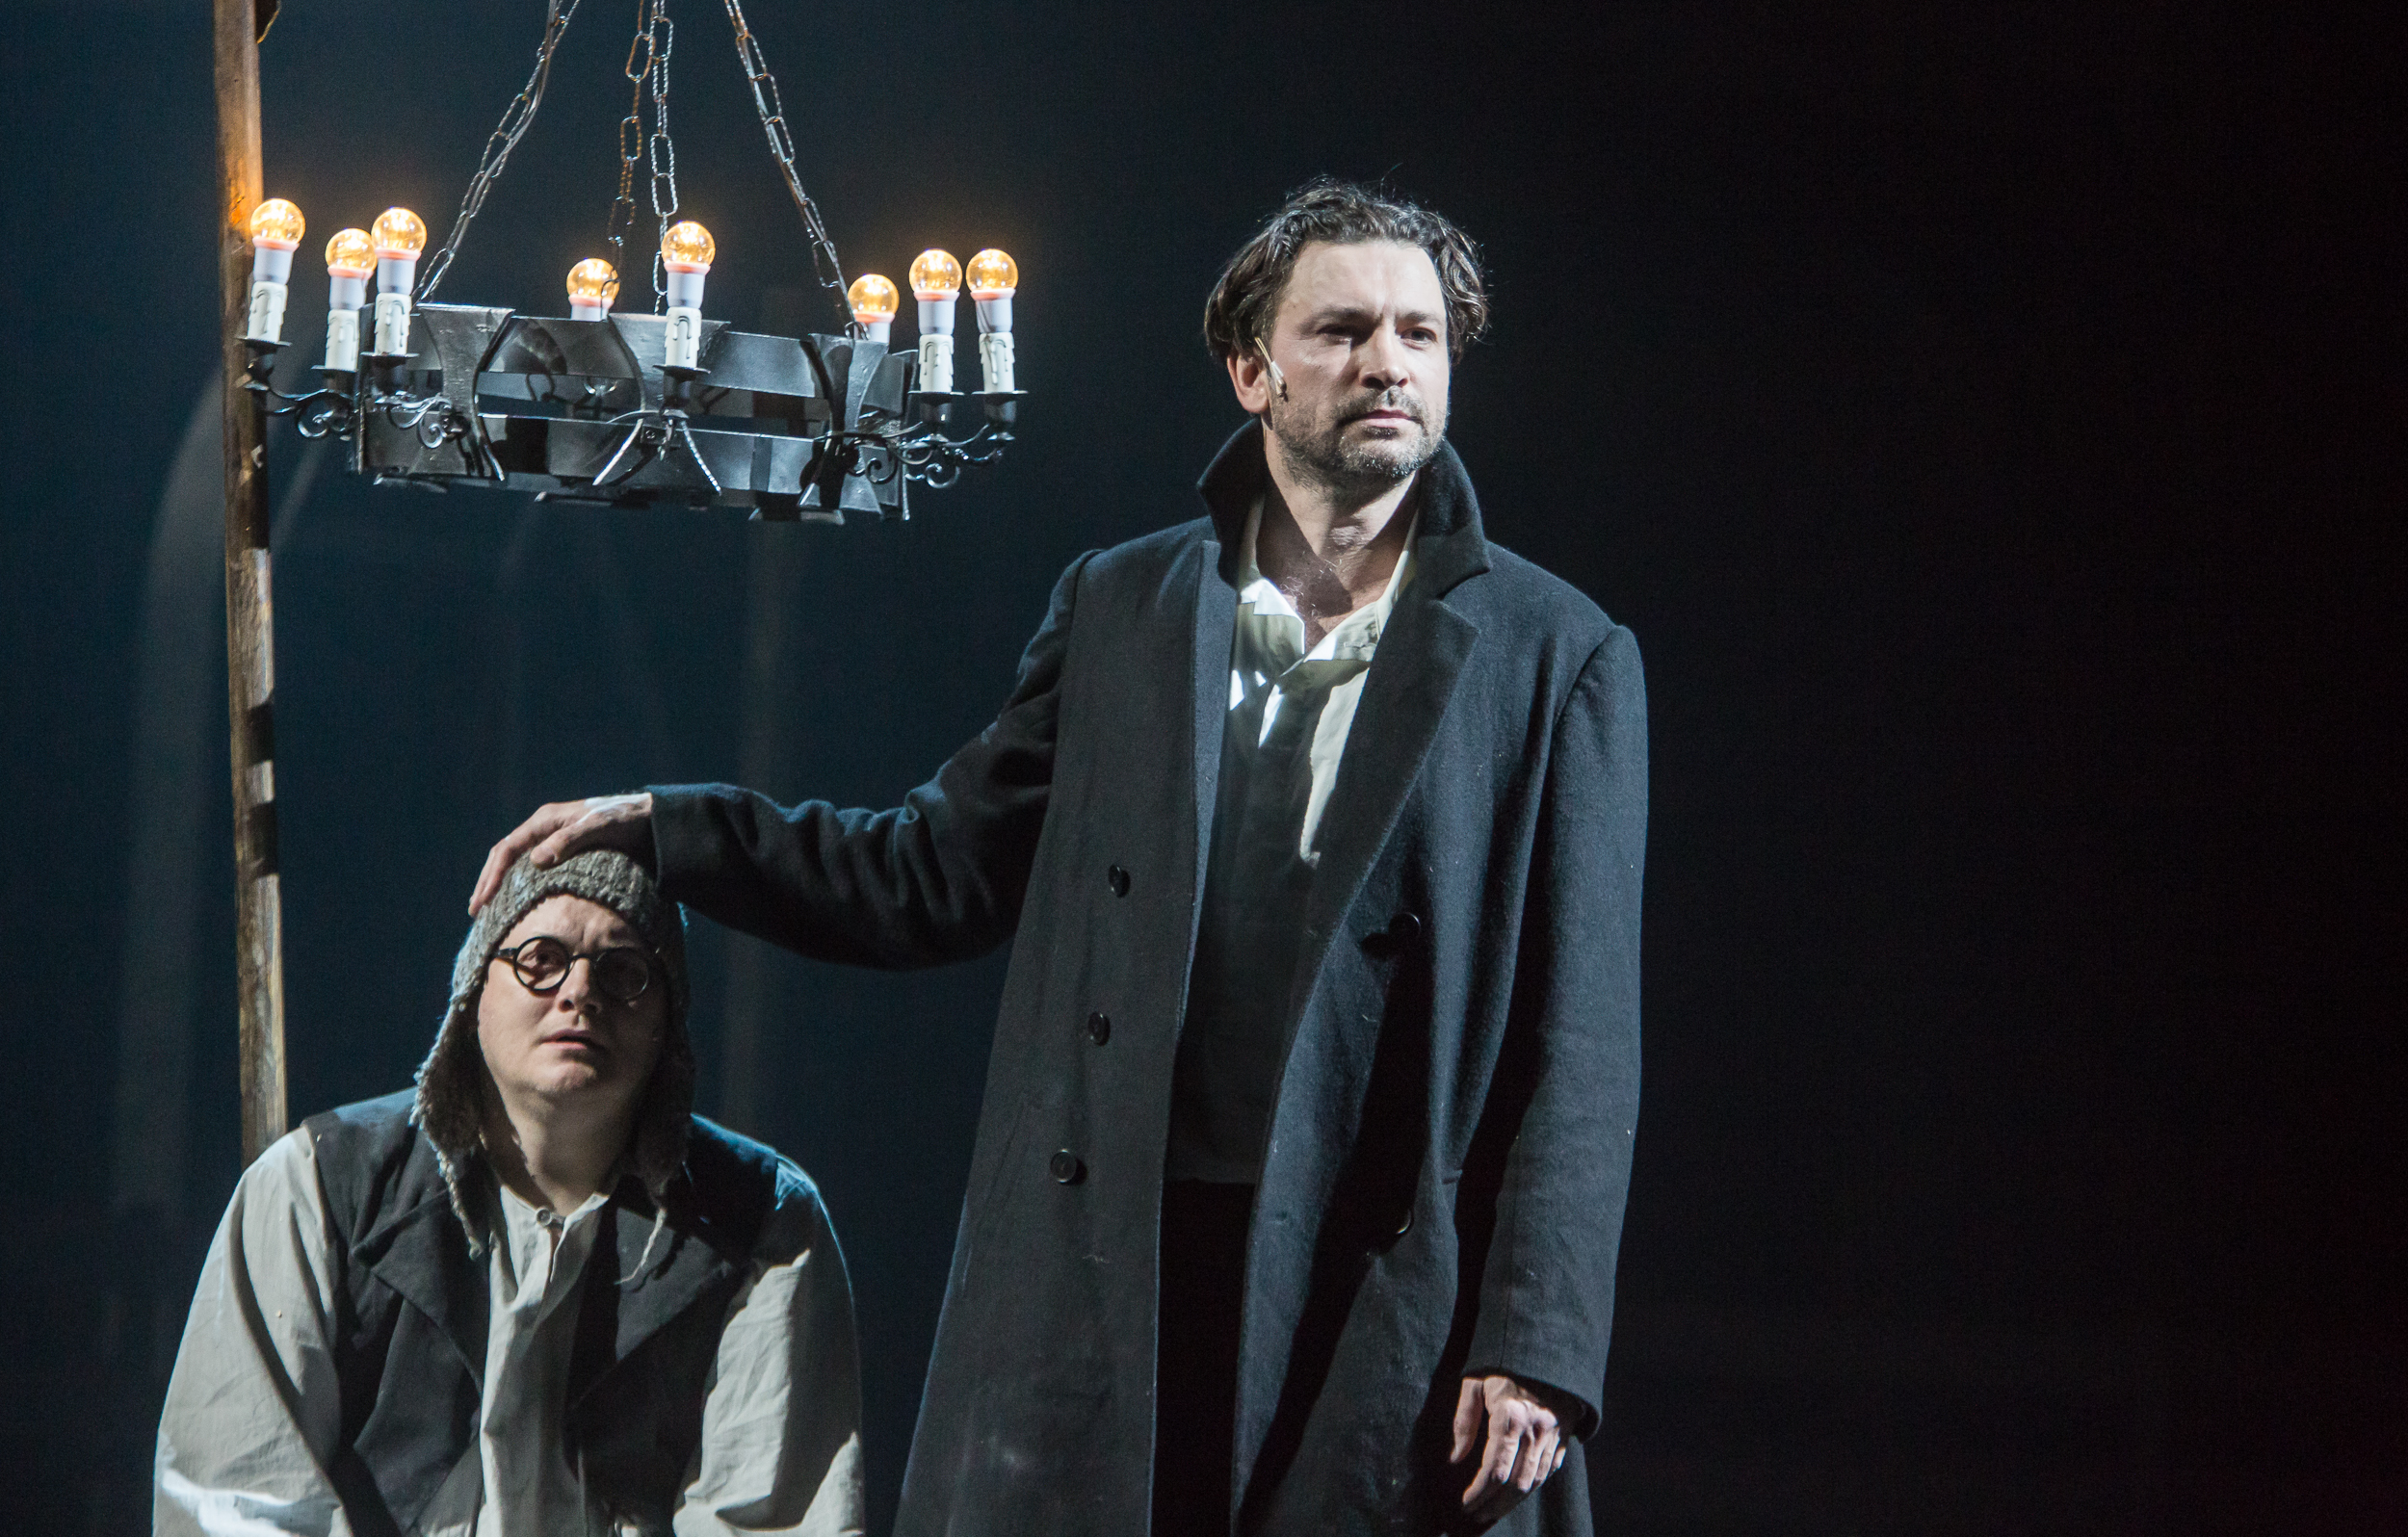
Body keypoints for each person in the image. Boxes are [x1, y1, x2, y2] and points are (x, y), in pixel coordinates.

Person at [473, 179, 1647, 1536]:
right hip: (1116, 1270)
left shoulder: (1556, 653)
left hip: (1380, 1293)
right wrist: (676, 827)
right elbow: (932, 871)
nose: (1388, 362)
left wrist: (1537, 1337)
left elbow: (1581, 1039)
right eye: (1342, 330)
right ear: (1252, 369)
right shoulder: (1126, 603)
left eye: (1419, 334)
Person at [156, 849, 865, 1537]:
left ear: (665, 1024)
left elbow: (770, 1518)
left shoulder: (762, 1219)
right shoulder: (318, 1185)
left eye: (623, 972)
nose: (579, 992)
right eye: (541, 959)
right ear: (474, 994)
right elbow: (240, 1497)